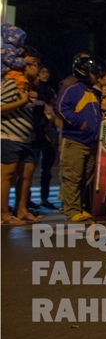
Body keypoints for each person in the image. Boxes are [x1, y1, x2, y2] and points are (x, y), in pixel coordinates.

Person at [56, 56, 105, 222]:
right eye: (94, 73)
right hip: (75, 141)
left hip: (90, 142)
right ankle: (71, 210)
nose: (97, 76)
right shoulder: (73, 89)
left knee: (85, 177)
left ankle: (80, 207)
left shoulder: (91, 92)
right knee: (73, 177)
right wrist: (81, 123)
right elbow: (62, 108)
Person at [1, 48, 41, 224]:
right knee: (7, 175)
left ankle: (22, 210)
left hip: (26, 138)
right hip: (9, 135)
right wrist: (22, 102)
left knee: (27, 174)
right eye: (33, 64)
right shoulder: (11, 83)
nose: (37, 68)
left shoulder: (26, 85)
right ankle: (4, 215)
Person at [32, 64, 58, 210]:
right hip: (36, 131)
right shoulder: (34, 90)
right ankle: (27, 200)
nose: (45, 74)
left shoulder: (50, 91)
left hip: (49, 131)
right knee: (29, 169)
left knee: (47, 170)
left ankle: (44, 198)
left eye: (47, 71)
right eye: (42, 71)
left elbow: (54, 108)